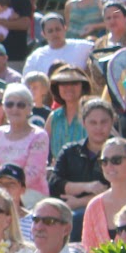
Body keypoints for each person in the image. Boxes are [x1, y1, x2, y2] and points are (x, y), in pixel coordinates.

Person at [49, 98, 117, 236]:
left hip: (108, 212)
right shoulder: (69, 152)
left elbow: (115, 189)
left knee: (78, 218)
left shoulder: (119, 153)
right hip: (70, 211)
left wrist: (79, 202)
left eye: (103, 122)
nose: (98, 128)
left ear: (112, 121)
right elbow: (55, 184)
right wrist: (88, 187)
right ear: (83, 123)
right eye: (93, 122)